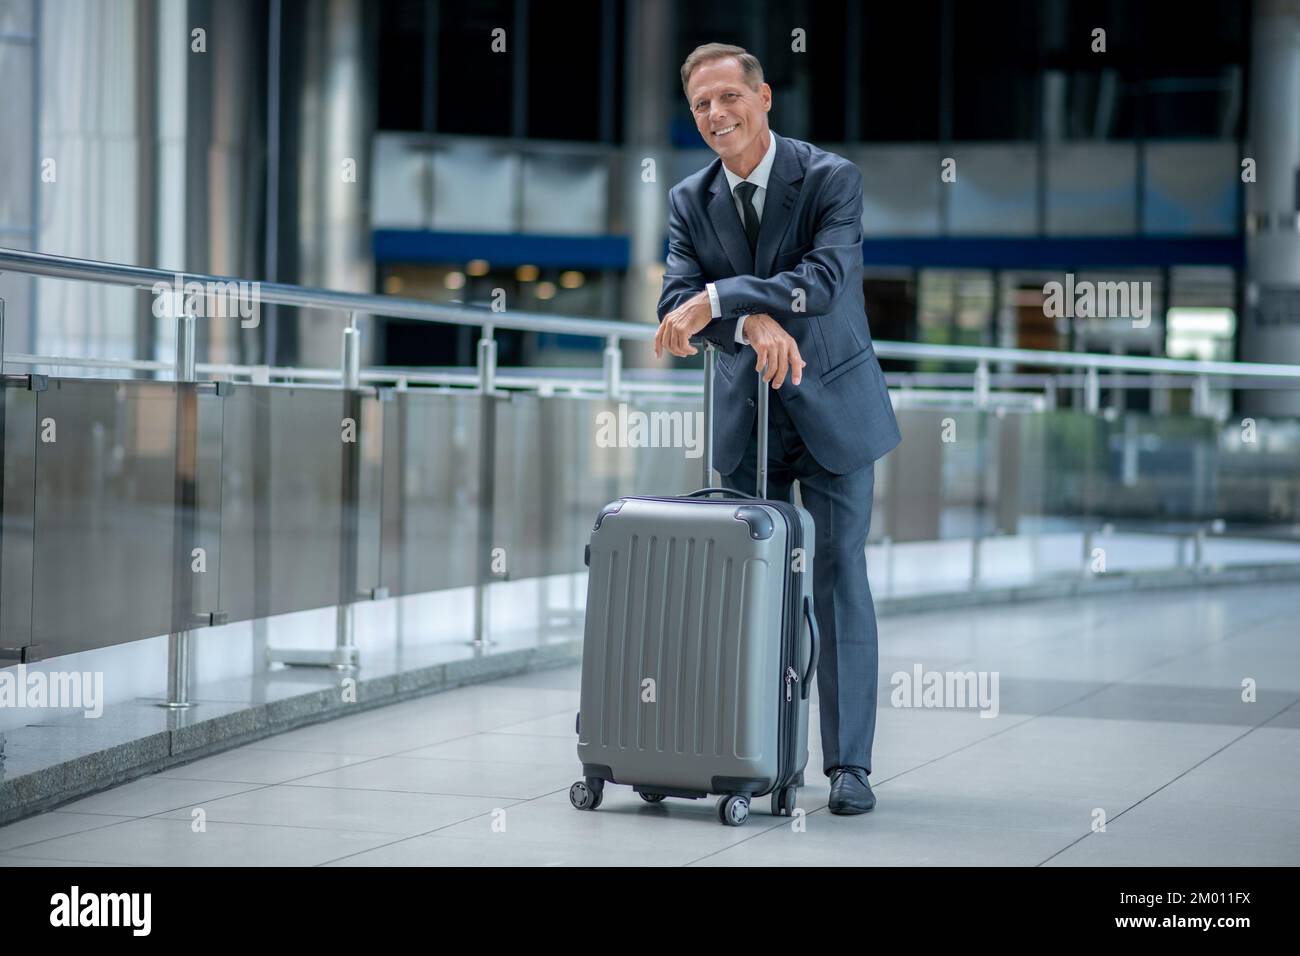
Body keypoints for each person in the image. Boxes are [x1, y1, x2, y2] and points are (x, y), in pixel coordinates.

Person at [655, 42, 901, 815]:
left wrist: (727, 297)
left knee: (837, 582)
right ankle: (748, 752)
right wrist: (749, 319)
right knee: (748, 591)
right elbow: (675, 314)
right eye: (702, 105)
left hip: (831, 405)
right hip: (747, 416)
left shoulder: (830, 179)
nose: (717, 114)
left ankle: (849, 767)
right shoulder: (690, 199)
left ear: (764, 98)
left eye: (730, 96)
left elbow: (825, 282)